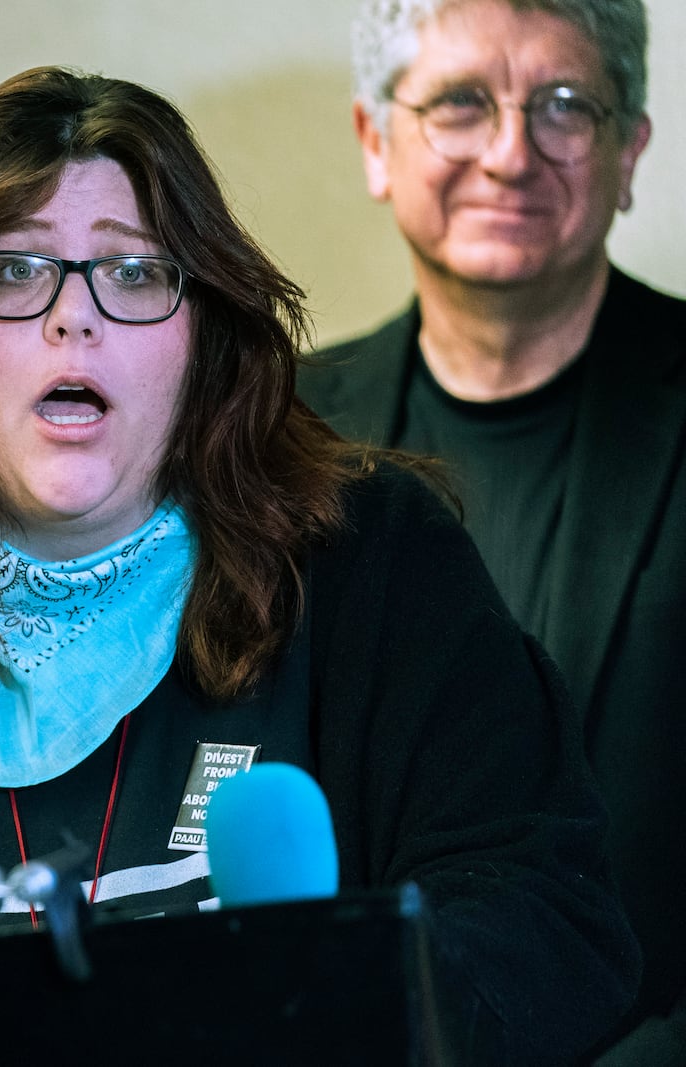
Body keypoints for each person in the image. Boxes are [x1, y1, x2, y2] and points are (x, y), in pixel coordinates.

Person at [0, 67, 640, 1062]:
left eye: (133, 272)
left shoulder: (370, 569)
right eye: (12, 271)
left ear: (202, 335)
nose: (72, 317)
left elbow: (546, 924)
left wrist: (331, 1001)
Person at [297, 2, 683, 1060]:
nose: (511, 155)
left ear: (628, 149)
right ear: (376, 142)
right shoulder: (273, 437)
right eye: (460, 103)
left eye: (564, 106)